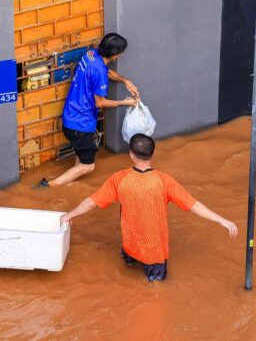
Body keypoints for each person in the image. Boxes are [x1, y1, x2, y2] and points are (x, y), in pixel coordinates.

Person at [59, 134, 238, 281]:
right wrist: (221, 220)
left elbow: (91, 202)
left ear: (132, 155)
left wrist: (68, 215)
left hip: (130, 245)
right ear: (152, 154)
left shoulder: (119, 179)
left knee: (127, 273)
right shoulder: (164, 181)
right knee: (155, 291)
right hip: (155, 252)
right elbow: (193, 205)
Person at [38, 33, 139, 188]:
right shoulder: (100, 73)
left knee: (81, 157)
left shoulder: (90, 55)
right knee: (88, 166)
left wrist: (126, 81)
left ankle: (70, 182)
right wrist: (124, 103)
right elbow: (100, 102)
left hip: (69, 117)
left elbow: (107, 71)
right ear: (116, 55)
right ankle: (48, 186)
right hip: (81, 125)